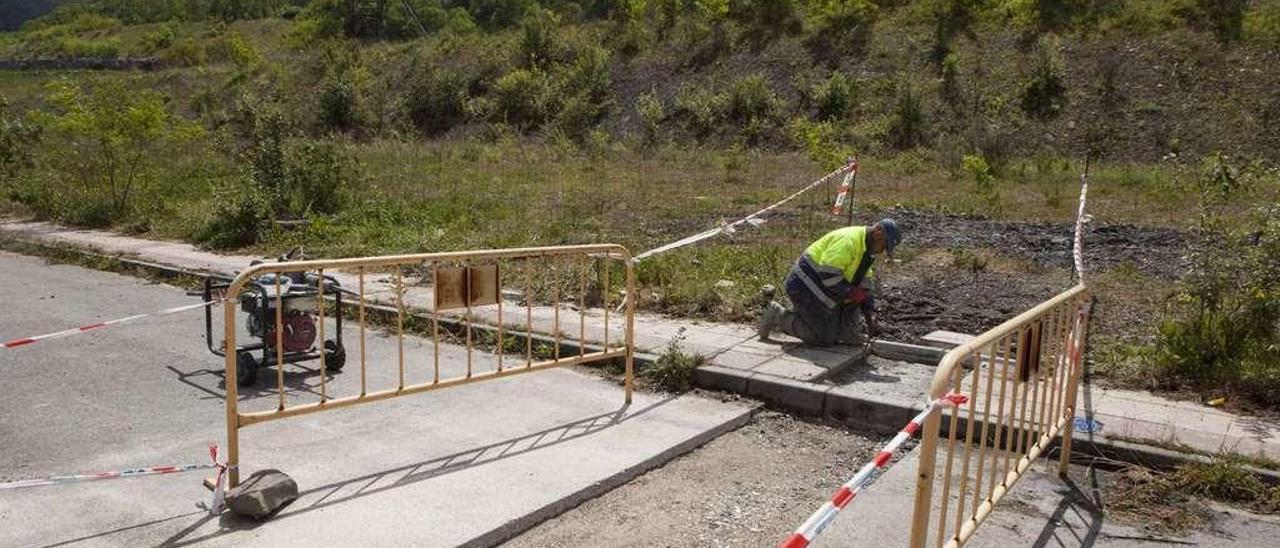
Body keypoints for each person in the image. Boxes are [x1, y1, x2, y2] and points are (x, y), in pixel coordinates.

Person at [757, 219, 901, 346]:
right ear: (877, 232)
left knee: (859, 296)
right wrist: (853, 293)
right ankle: (778, 314)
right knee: (823, 338)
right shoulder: (849, 241)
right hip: (804, 286)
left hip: (822, 287)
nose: (882, 251)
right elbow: (828, 275)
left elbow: (863, 281)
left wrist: (870, 313)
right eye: (884, 246)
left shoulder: (867, 250)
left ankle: (845, 333)